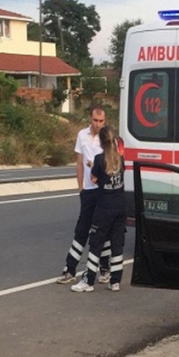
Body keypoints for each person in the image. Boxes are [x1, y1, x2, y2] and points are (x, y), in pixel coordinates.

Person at [57, 104, 112, 284]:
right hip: (88, 190)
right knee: (82, 229)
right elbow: (79, 163)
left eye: (101, 121)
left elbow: (111, 164)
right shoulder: (82, 135)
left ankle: (105, 268)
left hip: (103, 191)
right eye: (95, 120)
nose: (98, 124)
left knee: (102, 231)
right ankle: (70, 268)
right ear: (90, 119)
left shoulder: (108, 138)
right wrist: (80, 187)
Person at [71, 125, 126, 293]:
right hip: (121, 207)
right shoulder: (120, 159)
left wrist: (92, 165)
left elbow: (94, 179)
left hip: (104, 208)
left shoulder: (99, 160)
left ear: (101, 143)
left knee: (96, 242)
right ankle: (115, 281)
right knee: (117, 244)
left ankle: (88, 280)